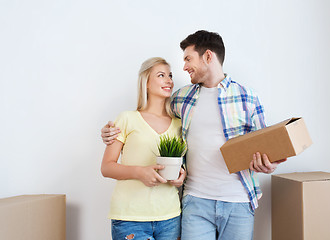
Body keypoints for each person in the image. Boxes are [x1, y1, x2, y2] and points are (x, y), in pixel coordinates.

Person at [101, 31, 285, 240]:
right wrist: (109, 132)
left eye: (188, 59)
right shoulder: (181, 98)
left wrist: (269, 165)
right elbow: (147, 117)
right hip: (195, 202)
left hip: (238, 200)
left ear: (208, 56)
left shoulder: (248, 97)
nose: (184, 67)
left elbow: (267, 146)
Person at [101, 57, 185, 240]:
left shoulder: (179, 124)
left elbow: (184, 164)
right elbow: (106, 167)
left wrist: (181, 175)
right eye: (161, 75)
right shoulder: (127, 118)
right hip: (130, 218)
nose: (169, 80)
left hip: (170, 217)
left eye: (170, 75)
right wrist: (140, 172)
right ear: (146, 83)